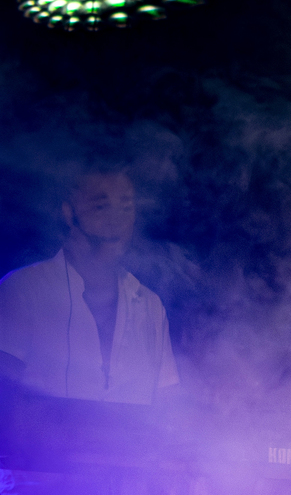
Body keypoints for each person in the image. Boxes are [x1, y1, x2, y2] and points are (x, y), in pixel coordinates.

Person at [0, 168, 179, 404]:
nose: (116, 220)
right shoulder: (23, 290)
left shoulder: (151, 305)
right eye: (101, 207)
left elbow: (169, 406)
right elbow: (5, 400)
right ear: (69, 213)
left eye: (126, 208)